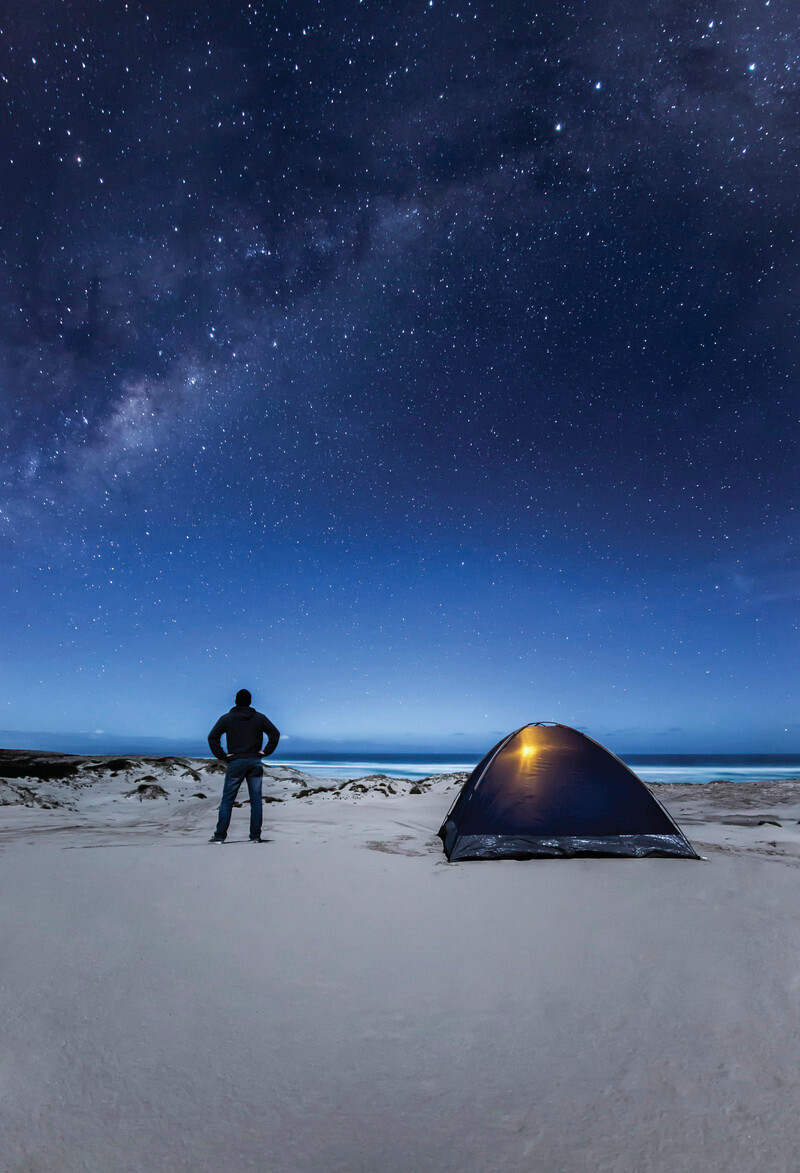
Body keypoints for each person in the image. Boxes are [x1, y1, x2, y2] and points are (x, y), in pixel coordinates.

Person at [207, 688, 280, 843]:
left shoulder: (226, 718)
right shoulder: (259, 718)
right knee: (255, 801)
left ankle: (219, 837)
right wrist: (264, 752)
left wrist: (222, 756)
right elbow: (275, 734)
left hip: (236, 762)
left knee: (227, 800)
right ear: (250, 702)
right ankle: (255, 836)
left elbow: (213, 737)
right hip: (254, 761)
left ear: (235, 701)